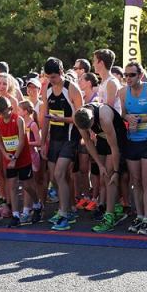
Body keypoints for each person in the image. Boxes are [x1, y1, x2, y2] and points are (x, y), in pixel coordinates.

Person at [40, 57, 84, 231]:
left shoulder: (72, 89)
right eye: (49, 78)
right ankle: (68, 208)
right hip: (55, 138)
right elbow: (45, 117)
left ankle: (64, 214)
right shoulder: (47, 90)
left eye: (55, 77)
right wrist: (43, 142)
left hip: (70, 137)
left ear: (62, 73)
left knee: (59, 174)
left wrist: (62, 119)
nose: (52, 81)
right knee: (55, 177)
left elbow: (82, 117)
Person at [119, 61, 147, 235]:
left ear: (140, 75)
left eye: (132, 75)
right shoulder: (122, 92)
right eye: (126, 75)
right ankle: (140, 214)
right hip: (132, 141)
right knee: (135, 181)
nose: (128, 78)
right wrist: (128, 117)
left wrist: (138, 120)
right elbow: (121, 113)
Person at [75, 101, 128, 233]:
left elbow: (114, 147)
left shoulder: (104, 116)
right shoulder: (79, 117)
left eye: (90, 127)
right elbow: (87, 141)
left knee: (110, 175)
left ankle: (109, 216)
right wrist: (99, 164)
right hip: (102, 138)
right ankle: (114, 205)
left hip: (116, 136)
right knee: (103, 174)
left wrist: (116, 171)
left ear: (92, 118)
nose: (89, 130)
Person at [0, 96, 41, 227]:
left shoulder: (18, 120)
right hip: (9, 158)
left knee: (27, 186)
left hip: (22, 157)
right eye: (0, 113)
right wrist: (5, 155)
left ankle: (37, 204)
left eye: (4, 112)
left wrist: (15, 157)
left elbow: (22, 140)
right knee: (13, 186)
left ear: (10, 108)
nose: (3, 115)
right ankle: (15, 215)